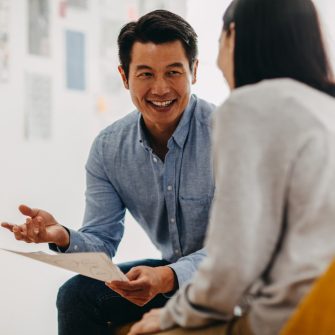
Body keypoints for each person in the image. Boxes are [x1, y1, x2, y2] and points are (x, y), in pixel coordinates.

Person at [1, 10, 215, 335]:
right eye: (145, 74)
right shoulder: (109, 148)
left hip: (234, 277)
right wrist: (62, 235)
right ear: (124, 76)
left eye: (174, 72)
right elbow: (102, 242)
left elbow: (243, 248)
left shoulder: (230, 135)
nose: (160, 88)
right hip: (174, 277)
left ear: (194, 72)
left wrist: (169, 277)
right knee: (75, 296)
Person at [128, 0, 335, 334]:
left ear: (232, 35)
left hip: (297, 317)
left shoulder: (246, 107)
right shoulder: (326, 107)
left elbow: (232, 264)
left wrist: (170, 316)